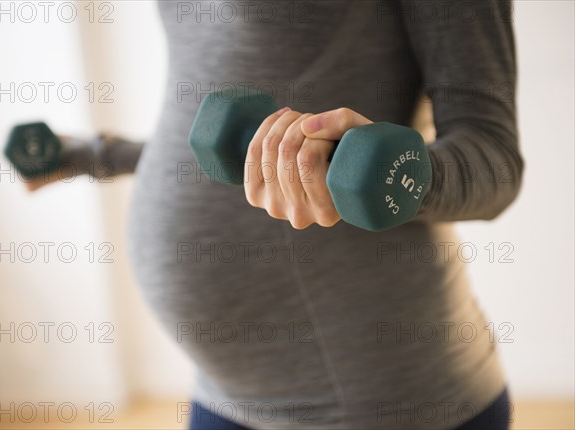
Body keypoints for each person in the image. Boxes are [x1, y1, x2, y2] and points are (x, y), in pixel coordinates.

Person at [30, 1, 524, 429]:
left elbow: (495, 160)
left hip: (377, 396)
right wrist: (96, 156)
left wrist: (394, 174)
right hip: (225, 394)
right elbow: (224, 134)